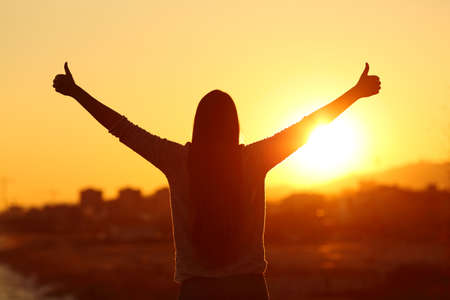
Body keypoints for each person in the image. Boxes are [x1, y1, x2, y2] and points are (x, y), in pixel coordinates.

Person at [53, 62, 380, 299]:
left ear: (198, 124)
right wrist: (356, 93)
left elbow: (122, 128)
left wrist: (76, 92)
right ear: (234, 126)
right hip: (249, 289)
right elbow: (308, 127)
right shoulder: (253, 160)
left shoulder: (177, 160)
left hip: (197, 290)